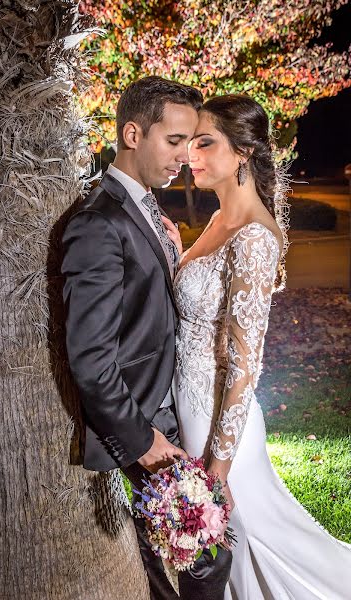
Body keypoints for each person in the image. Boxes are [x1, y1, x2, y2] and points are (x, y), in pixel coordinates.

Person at [173, 93, 351, 599]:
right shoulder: (217, 220)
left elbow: (246, 362)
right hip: (190, 405)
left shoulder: (253, 238)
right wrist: (172, 250)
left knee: (249, 541)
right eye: (189, 143)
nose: (192, 156)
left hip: (219, 424)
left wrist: (219, 466)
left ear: (244, 151)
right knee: (227, 547)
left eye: (205, 143)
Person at [61, 76, 232, 600]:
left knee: (183, 557)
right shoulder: (97, 223)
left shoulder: (145, 208)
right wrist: (143, 441)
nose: (185, 154)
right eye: (174, 140)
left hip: (174, 405)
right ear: (133, 134)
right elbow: (90, 360)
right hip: (143, 424)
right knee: (207, 554)